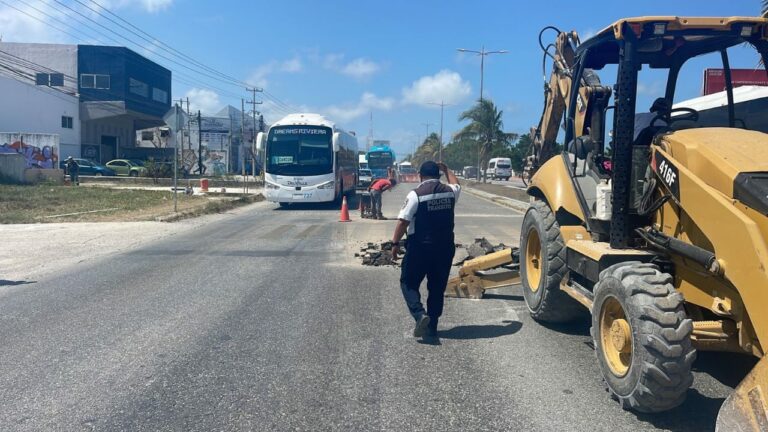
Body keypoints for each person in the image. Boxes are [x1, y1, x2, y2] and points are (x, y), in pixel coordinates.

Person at [391, 161, 460, 342]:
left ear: (420, 176)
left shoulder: (416, 195)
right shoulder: (450, 192)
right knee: (437, 287)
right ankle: (433, 326)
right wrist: (447, 168)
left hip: (420, 247)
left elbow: (403, 221)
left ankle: (420, 314)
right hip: (444, 248)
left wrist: (395, 243)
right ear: (438, 175)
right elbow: (457, 184)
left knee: (408, 282)